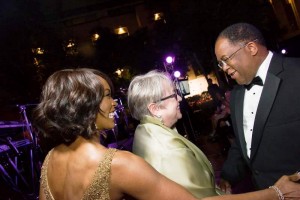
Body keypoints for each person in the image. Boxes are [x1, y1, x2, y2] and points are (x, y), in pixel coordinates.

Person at [127, 69, 300, 199]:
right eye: (173, 95)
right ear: (155, 108)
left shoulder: (146, 130)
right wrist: (275, 192)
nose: (180, 99)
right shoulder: (166, 148)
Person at [33, 68, 199, 200]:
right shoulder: (118, 165)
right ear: (83, 103)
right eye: (107, 95)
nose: (114, 104)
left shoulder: (50, 160)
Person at [214, 22, 300, 192]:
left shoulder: (296, 73)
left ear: (251, 48)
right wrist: (227, 176)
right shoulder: (237, 95)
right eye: (220, 63)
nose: (223, 68)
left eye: (225, 59)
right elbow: (243, 143)